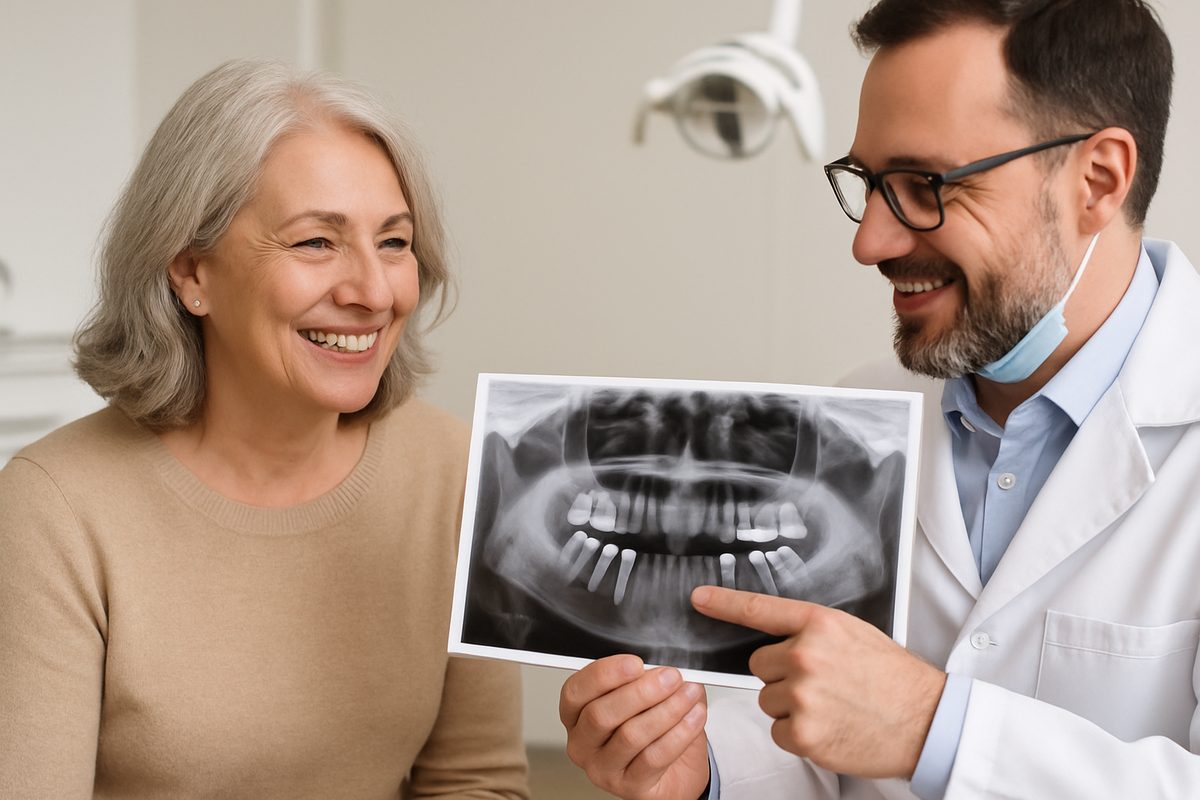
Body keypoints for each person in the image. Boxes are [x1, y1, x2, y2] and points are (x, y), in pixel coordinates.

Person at [559, 0, 1200, 798]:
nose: (870, 241)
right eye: (867, 182)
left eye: (924, 185)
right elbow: (809, 742)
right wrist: (706, 774)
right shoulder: (860, 415)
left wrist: (938, 729)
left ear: (1097, 179)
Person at [0, 59, 529, 799]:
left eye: (394, 242)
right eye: (317, 242)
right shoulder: (53, 506)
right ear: (190, 273)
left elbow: (476, 783)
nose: (373, 292)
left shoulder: (455, 471)